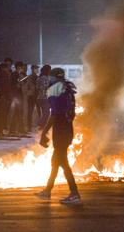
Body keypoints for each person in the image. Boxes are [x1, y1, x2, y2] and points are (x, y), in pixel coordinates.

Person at [35, 67, 81, 204]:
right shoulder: (67, 89)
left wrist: (44, 132)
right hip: (67, 129)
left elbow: (54, 114)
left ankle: (75, 193)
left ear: (53, 77)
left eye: (50, 77)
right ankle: (47, 191)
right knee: (56, 161)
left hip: (61, 131)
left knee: (62, 162)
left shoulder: (55, 89)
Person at [8, 61, 26, 136]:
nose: (23, 68)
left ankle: (19, 130)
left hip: (17, 96)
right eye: (22, 67)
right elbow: (14, 85)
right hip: (16, 97)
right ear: (19, 67)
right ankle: (13, 131)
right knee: (16, 113)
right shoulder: (15, 74)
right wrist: (20, 83)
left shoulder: (17, 74)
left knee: (18, 113)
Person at [24, 64, 39, 132]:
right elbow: (26, 86)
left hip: (36, 96)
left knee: (38, 111)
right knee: (30, 112)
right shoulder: (29, 77)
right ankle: (29, 126)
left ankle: (38, 126)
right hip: (31, 96)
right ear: (32, 69)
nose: (36, 70)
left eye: (37, 69)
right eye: (35, 69)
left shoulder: (37, 77)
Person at [36, 65, 52, 129]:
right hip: (44, 98)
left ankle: (42, 127)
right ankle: (40, 124)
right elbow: (43, 87)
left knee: (45, 113)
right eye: (49, 70)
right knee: (46, 113)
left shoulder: (41, 77)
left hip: (41, 98)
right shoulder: (44, 78)